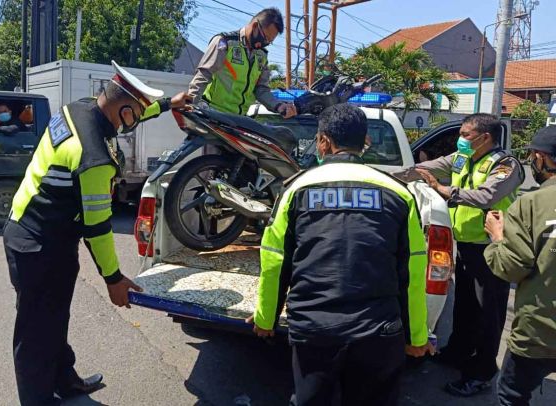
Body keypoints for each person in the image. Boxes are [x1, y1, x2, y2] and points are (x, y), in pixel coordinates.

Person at [3, 60, 189, 405]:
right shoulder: (94, 157)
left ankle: (65, 380)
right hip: (37, 244)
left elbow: (132, 113)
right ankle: (37, 399)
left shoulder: (81, 108)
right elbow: (98, 228)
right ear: (123, 106)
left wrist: (167, 105)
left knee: (54, 316)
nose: (130, 125)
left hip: (42, 233)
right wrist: (113, 278)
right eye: (131, 114)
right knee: (35, 330)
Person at [249, 104, 433, 405]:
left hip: (314, 328)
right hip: (379, 332)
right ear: (366, 143)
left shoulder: (296, 189)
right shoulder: (399, 193)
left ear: (324, 142)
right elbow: (412, 270)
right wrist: (417, 338)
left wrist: (265, 319)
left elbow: (273, 259)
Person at [393, 113, 524, 396]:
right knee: (464, 306)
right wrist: (386, 178)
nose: (460, 140)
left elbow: (487, 197)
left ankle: (482, 372)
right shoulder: (463, 158)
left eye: (465, 135)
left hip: (491, 249)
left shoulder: (505, 165)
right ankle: (458, 352)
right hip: (464, 245)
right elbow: (423, 168)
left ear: (484, 137)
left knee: (488, 314)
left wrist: (443, 190)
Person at [483, 125, 556, 406]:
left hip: (539, 333)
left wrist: (497, 237)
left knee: (511, 395)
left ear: (542, 158)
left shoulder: (531, 204)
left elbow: (511, 268)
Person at [188, 7, 297, 118]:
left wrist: (278, 106)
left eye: (269, 42)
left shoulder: (262, 56)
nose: (265, 43)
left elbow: (261, 90)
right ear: (255, 26)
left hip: (238, 120)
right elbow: (203, 75)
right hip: (212, 114)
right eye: (265, 38)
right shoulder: (226, 43)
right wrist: (190, 104)